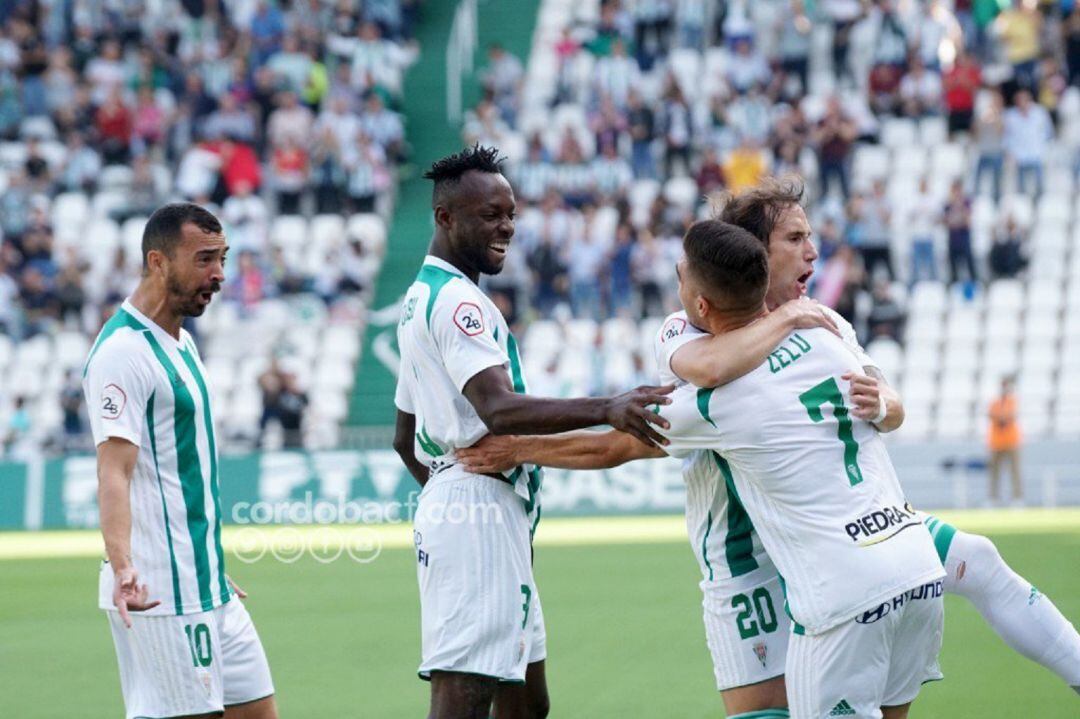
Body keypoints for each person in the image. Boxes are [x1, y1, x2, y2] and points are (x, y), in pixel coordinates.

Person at [462, 176, 1080, 714]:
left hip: (842, 539)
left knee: (980, 559)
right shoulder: (694, 328)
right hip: (747, 560)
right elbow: (657, 417)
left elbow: (887, 401)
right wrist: (784, 321)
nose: (812, 251)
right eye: (795, 239)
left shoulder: (827, 321)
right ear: (751, 255)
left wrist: (885, 404)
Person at [392, 145, 673, 719]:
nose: (506, 227)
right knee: (464, 697)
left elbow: (405, 435)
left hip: (477, 507)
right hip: (477, 507)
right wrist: (609, 406)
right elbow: (498, 409)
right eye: (490, 215)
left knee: (526, 704)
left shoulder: (421, 298)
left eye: (511, 214)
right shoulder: (455, 303)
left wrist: (448, 497)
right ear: (445, 218)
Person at [82, 203, 277, 719]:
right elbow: (114, 471)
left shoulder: (183, 343)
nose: (219, 275)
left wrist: (206, 559)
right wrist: (124, 565)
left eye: (224, 259)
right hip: (160, 592)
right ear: (159, 262)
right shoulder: (121, 353)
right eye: (205, 259)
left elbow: (177, 468)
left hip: (209, 583)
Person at [988, 375, 1023, 505]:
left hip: (1011, 442)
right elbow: (993, 416)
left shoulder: (1012, 401)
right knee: (994, 472)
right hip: (996, 442)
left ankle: (1017, 498)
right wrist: (1002, 417)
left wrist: (1001, 417)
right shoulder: (995, 402)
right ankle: (993, 499)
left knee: (1014, 471)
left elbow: (1010, 416)